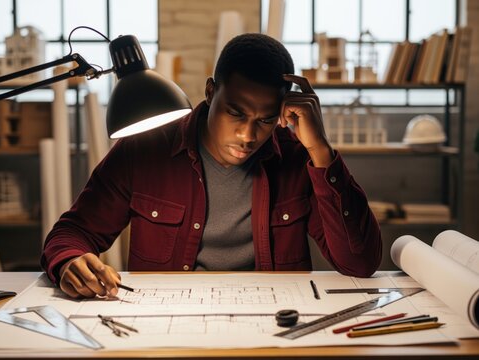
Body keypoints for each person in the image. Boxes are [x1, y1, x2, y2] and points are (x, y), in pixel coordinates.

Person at [41, 33, 382, 299]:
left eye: (264, 120)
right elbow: (72, 233)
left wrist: (320, 150)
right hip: (167, 324)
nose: (248, 136)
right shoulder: (145, 149)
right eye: (235, 112)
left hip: (273, 323)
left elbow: (359, 263)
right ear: (210, 91)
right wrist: (70, 260)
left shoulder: (298, 159)